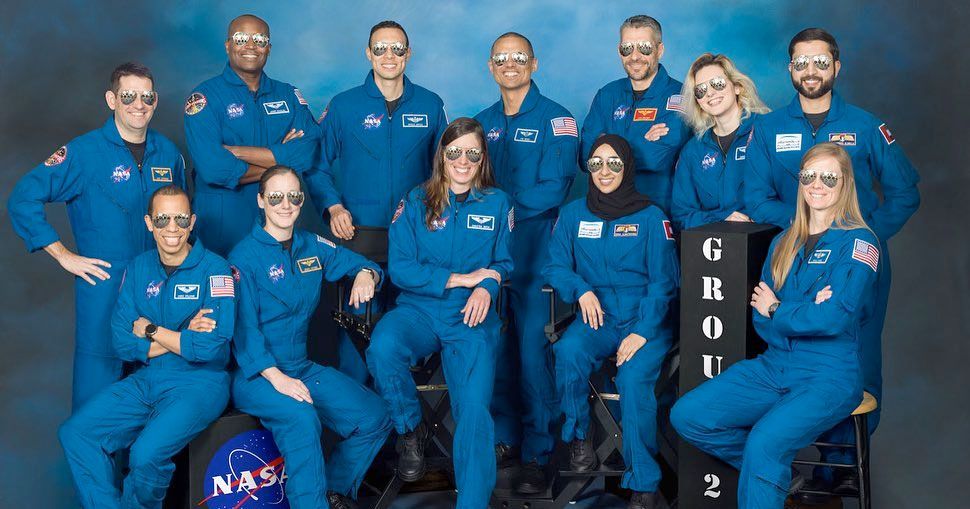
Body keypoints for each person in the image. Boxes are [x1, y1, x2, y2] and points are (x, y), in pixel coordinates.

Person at [742, 28, 919, 496]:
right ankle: (793, 466)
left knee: (855, 356)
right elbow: (754, 195)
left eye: (821, 62)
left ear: (837, 67)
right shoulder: (768, 129)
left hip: (853, 267)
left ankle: (837, 475)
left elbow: (904, 192)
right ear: (790, 69)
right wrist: (805, 230)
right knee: (791, 354)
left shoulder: (865, 126)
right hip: (791, 263)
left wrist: (857, 239)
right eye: (801, 63)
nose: (811, 72)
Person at [672, 143, 880, 509]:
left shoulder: (860, 243)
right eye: (809, 176)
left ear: (845, 183)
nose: (817, 185)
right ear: (799, 181)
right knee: (689, 415)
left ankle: (767, 468)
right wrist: (801, 310)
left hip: (828, 375)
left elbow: (833, 319)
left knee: (765, 443)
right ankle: (775, 473)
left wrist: (779, 309)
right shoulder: (783, 243)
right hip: (774, 366)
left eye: (828, 177)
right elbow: (759, 319)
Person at [8, 62, 186, 409]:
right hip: (106, 285)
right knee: (97, 399)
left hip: (159, 283)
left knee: (158, 396)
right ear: (111, 99)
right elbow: (23, 198)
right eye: (128, 96)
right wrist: (63, 255)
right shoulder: (84, 153)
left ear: (156, 100)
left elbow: (185, 218)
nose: (139, 104)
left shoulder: (168, 153)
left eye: (146, 96)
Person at [366, 117, 514, 509]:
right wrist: (463, 279)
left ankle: (472, 502)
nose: (462, 161)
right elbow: (401, 268)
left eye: (472, 153)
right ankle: (410, 429)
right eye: (454, 153)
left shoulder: (498, 203)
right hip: (419, 310)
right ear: (441, 156)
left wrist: (487, 286)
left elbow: (504, 261)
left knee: (474, 412)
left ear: (482, 159)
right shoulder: (415, 201)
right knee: (382, 348)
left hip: (471, 317)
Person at [59, 185, 233, 508]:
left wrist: (152, 330)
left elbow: (210, 347)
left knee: (145, 453)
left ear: (192, 222)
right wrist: (181, 335)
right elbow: (122, 340)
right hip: (148, 378)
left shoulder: (216, 270)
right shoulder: (138, 269)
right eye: (163, 218)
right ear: (149, 223)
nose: (172, 228)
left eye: (180, 219)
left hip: (201, 383)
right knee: (76, 433)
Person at [228, 166, 390, 509]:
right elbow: (244, 333)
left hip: (300, 367)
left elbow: (361, 263)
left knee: (374, 415)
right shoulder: (243, 257)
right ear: (261, 201)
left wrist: (366, 273)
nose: (285, 204)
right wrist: (277, 379)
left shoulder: (311, 245)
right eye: (276, 197)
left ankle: (331, 494)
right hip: (258, 374)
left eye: (294, 196)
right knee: (303, 420)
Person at [544, 134, 679, 509]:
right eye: (597, 163)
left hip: (643, 320)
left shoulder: (652, 217)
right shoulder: (572, 214)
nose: (605, 171)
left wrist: (642, 331)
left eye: (614, 163)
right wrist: (580, 290)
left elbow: (663, 283)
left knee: (634, 381)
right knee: (568, 351)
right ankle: (579, 438)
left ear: (627, 167)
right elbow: (555, 265)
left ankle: (644, 484)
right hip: (596, 316)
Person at [314, 20, 448, 383]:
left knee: (407, 337)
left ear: (409, 54)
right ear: (368, 53)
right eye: (380, 48)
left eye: (397, 48)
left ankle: (405, 431)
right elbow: (316, 165)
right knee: (356, 338)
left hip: (416, 241)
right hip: (360, 238)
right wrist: (333, 206)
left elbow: (448, 172)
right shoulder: (343, 106)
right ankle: (361, 427)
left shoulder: (431, 104)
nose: (389, 56)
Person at [473, 31, 579, 493]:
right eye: (501, 58)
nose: (510, 64)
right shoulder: (480, 124)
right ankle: (504, 438)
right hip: (488, 253)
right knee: (491, 346)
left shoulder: (559, 119)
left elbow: (555, 188)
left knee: (534, 355)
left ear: (533, 64)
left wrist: (498, 209)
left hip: (536, 252)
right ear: (491, 66)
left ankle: (538, 450)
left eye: (519, 57)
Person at [185, 14, 321, 256]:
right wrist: (282, 163)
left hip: (277, 224)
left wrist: (238, 153)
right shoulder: (204, 98)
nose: (250, 45)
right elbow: (213, 168)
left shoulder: (288, 95)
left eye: (259, 39)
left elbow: (308, 151)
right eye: (241, 38)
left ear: (268, 47)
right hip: (222, 229)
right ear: (228, 45)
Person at [580, 15, 691, 215]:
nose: (635, 56)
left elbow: (657, 158)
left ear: (660, 50)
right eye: (627, 48)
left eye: (645, 48)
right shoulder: (607, 95)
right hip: (605, 210)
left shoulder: (680, 97)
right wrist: (642, 140)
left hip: (657, 209)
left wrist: (606, 145)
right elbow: (585, 155)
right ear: (619, 51)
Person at [671, 53, 770, 230]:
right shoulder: (693, 150)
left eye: (717, 83)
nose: (710, 93)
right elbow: (681, 215)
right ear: (697, 101)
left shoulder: (767, 130)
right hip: (715, 248)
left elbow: (790, 196)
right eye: (700, 90)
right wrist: (721, 218)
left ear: (737, 86)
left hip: (767, 241)